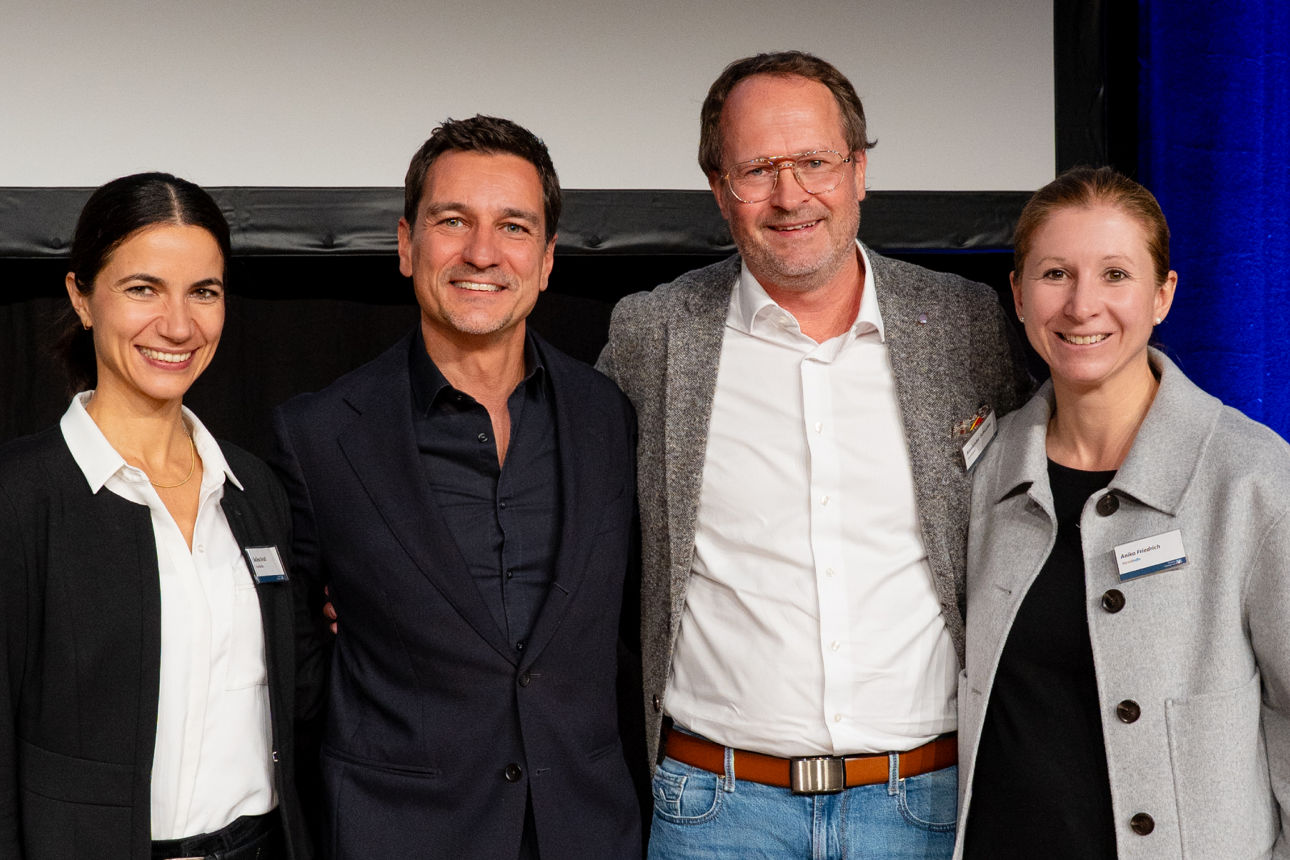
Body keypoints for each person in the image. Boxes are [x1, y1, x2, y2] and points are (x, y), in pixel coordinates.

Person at [597, 51, 1032, 858]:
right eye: (757, 168)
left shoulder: (967, 325)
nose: (790, 195)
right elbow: (563, 500)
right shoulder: (653, 334)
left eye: (814, 162)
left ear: (859, 170)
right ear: (719, 190)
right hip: (716, 813)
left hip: (927, 808)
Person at [271, 116, 641, 859]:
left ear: (546, 261)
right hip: (397, 832)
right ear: (407, 246)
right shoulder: (317, 436)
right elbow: (293, 653)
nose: (481, 252)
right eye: (452, 221)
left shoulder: (609, 415)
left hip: (587, 832)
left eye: (513, 226)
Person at [955, 166, 1290, 858]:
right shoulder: (983, 476)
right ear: (1017, 295)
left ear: (1163, 295)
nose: (1082, 306)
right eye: (1054, 274)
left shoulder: (1251, 478)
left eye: (1115, 274)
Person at [0, 172, 321, 859]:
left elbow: (299, 700)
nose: (178, 325)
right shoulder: (20, 498)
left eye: (203, 292)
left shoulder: (254, 490)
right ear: (81, 297)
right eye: (143, 288)